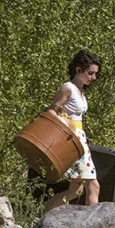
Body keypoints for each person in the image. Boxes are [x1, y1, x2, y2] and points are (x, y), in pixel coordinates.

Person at [45, 49, 102, 212]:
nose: (93, 78)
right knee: (93, 185)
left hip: (79, 140)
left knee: (76, 191)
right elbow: (51, 111)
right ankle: (94, 223)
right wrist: (66, 129)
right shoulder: (67, 88)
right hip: (71, 139)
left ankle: (44, 213)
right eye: (90, 73)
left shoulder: (81, 91)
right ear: (78, 70)